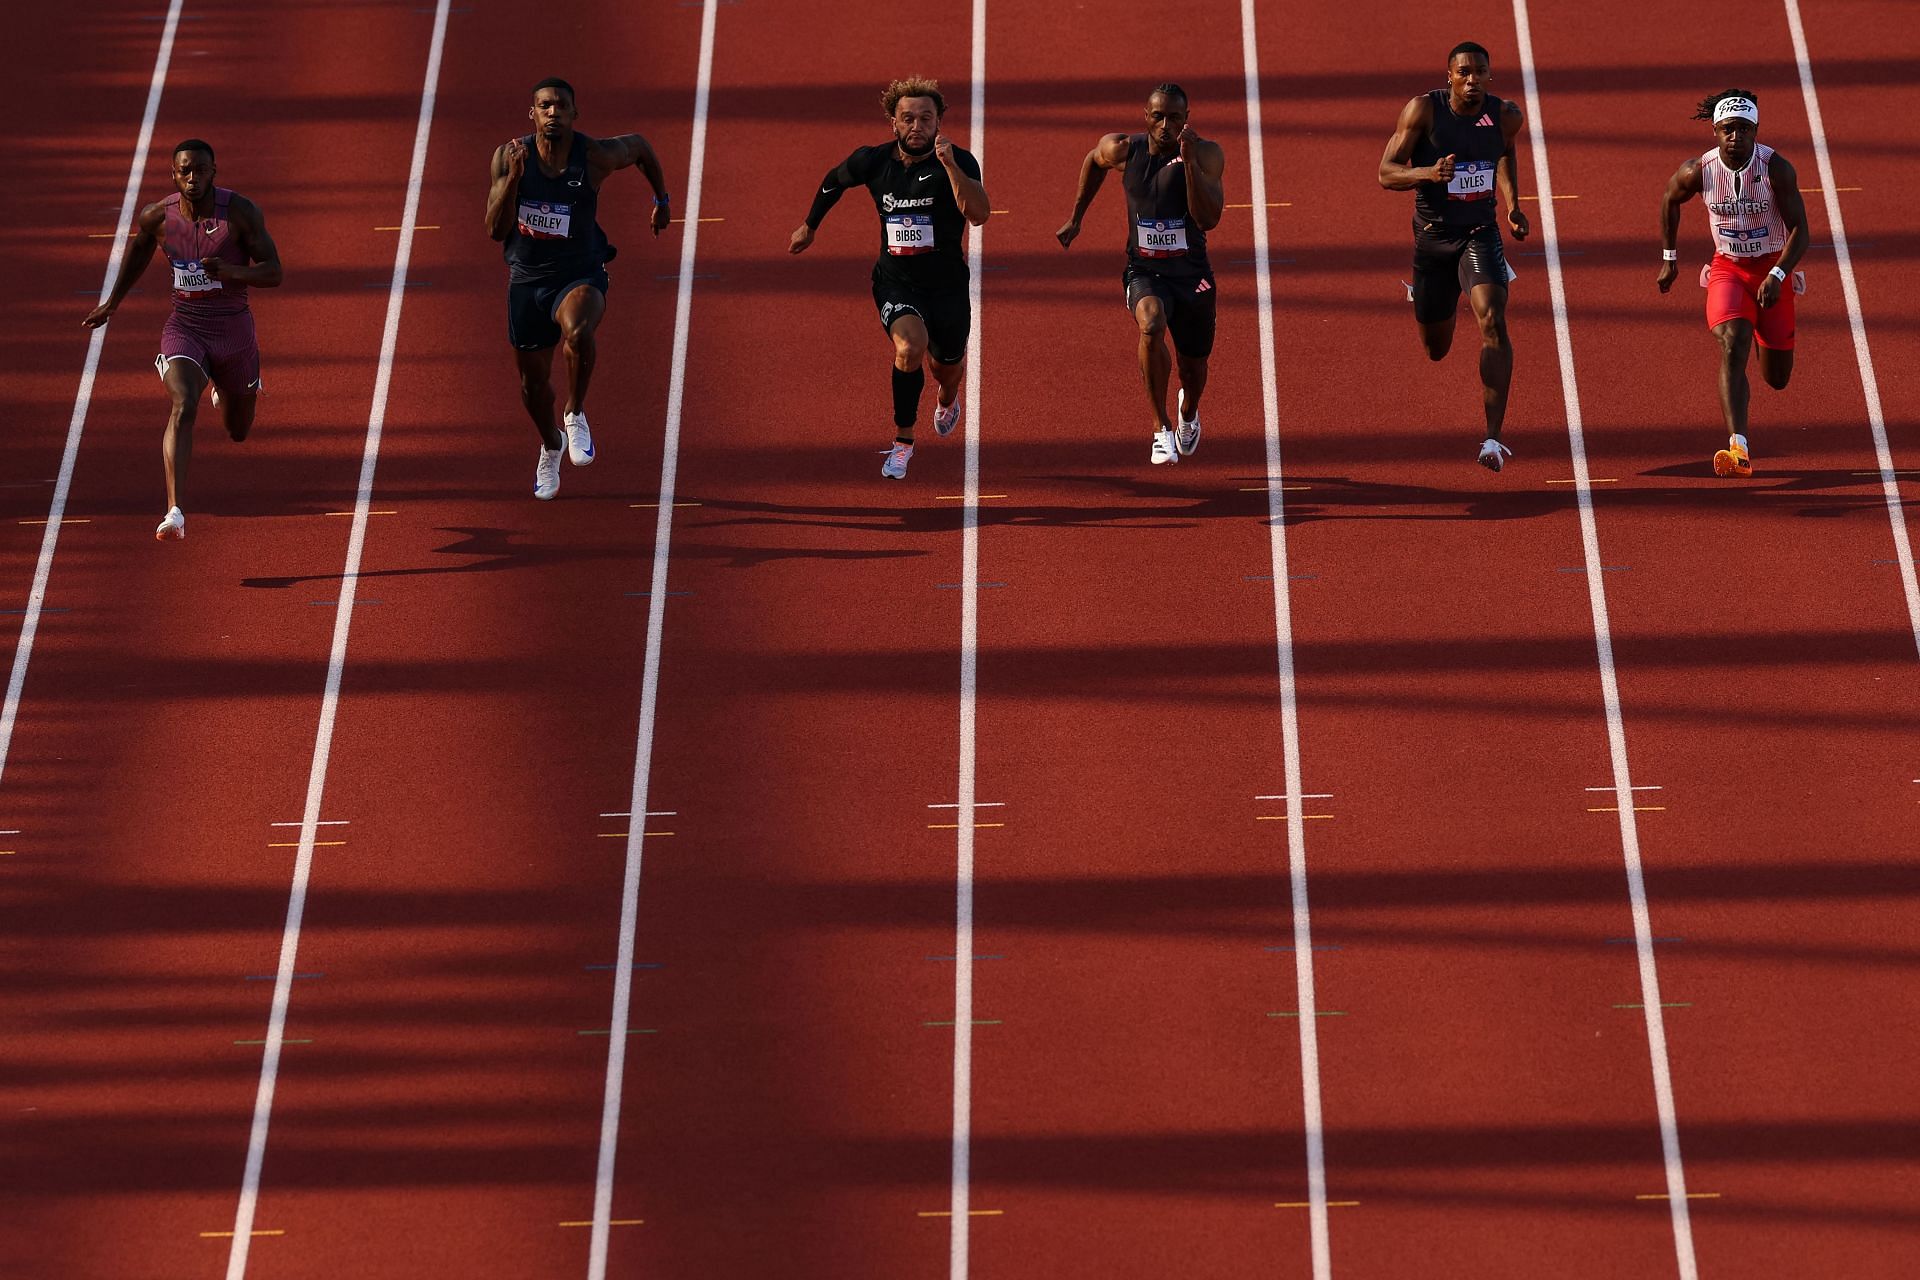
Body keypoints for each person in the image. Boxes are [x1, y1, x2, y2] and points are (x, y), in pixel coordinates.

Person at [789, 77, 990, 480]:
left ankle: (948, 400)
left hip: (947, 284)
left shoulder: (960, 161)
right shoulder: (873, 161)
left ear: (939, 122)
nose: (917, 126)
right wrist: (810, 226)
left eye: (926, 119)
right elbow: (833, 181)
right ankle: (903, 441)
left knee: (945, 369)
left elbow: (979, 214)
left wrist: (949, 165)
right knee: (908, 348)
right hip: (895, 281)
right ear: (893, 123)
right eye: (908, 119)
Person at [83, 140, 282, 540]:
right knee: (182, 403)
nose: (193, 178)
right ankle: (174, 510)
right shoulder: (159, 217)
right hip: (185, 327)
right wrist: (112, 303)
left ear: (214, 171)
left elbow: (273, 271)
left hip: (233, 331)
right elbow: (139, 253)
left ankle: (231, 390)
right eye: (185, 171)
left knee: (238, 430)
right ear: (174, 174)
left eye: (201, 170)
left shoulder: (240, 213)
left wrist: (229, 271)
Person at [486, 77, 670, 500]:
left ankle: (574, 412)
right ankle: (552, 443)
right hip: (527, 280)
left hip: (580, 270)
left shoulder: (594, 155)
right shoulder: (509, 156)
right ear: (531, 113)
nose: (553, 113)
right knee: (533, 388)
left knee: (578, 331)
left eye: (561, 106)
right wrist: (514, 180)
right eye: (544, 106)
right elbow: (495, 230)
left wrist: (662, 200)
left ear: (574, 114)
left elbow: (640, 146)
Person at [1378, 41, 1530, 472]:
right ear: (1449, 76)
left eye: (1480, 72)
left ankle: (1493, 439)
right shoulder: (1423, 111)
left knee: (1493, 319)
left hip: (1480, 232)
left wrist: (1514, 204)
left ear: (1489, 75)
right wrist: (1428, 173)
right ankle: (1425, 296)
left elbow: (1505, 151)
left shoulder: (1506, 115)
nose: (1472, 79)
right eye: (1463, 72)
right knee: (1436, 348)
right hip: (1433, 239)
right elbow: (1386, 171)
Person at [1057, 84, 1226, 466]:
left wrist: (1189, 165)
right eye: (1158, 116)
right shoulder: (1123, 149)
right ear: (1145, 116)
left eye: (1175, 118)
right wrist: (1077, 217)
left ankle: (1188, 412)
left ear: (1187, 118)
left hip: (1192, 276)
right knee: (1150, 324)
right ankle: (1160, 427)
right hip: (1145, 269)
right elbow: (1092, 161)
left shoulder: (1205, 154)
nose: (1166, 125)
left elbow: (1208, 219)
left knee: (1194, 368)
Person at [1657, 90, 1807, 478]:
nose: (1735, 136)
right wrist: (1670, 259)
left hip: (1772, 266)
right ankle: (1738, 447)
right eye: (1728, 129)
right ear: (1715, 132)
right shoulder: (1699, 170)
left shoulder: (1776, 169)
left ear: (1755, 130)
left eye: (1743, 129)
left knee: (1777, 378)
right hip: (1727, 267)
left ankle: (1763, 330)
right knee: (1732, 342)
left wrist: (1778, 274)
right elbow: (1670, 200)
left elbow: (1801, 232)